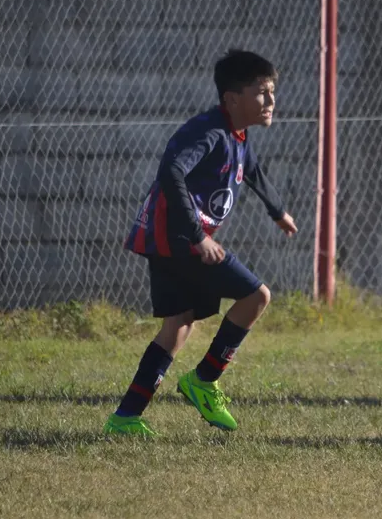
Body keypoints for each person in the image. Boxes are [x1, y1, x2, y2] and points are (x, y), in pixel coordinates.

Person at [104, 50, 297, 437]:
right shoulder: (209, 132)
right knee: (257, 296)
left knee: (178, 325)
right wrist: (198, 237)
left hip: (168, 239)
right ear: (232, 99)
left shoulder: (237, 134)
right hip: (178, 239)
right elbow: (172, 171)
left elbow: (253, 170)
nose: (271, 100)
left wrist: (277, 211)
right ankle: (204, 380)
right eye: (262, 92)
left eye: (272, 91)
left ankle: (125, 417)